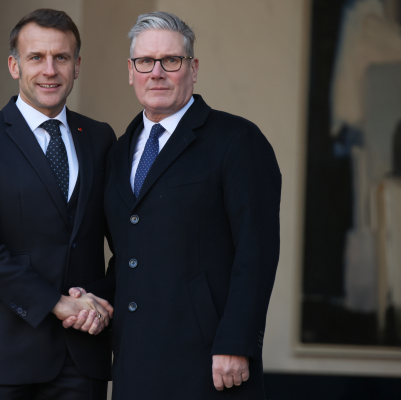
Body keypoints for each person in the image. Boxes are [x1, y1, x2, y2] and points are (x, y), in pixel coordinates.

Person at [94, 11, 281, 400]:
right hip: (134, 359)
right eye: (145, 62)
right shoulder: (118, 152)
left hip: (209, 361)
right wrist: (92, 298)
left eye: (171, 61)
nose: (156, 73)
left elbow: (257, 250)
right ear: (130, 71)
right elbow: (130, 253)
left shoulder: (236, 140)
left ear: (193, 69)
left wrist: (236, 342)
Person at [0, 8, 116, 400]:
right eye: (36, 57)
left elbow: (127, 236)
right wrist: (54, 303)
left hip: (80, 355)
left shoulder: (100, 139)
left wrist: (98, 303)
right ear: (14, 65)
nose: (49, 70)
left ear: (77, 66)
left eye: (61, 57)